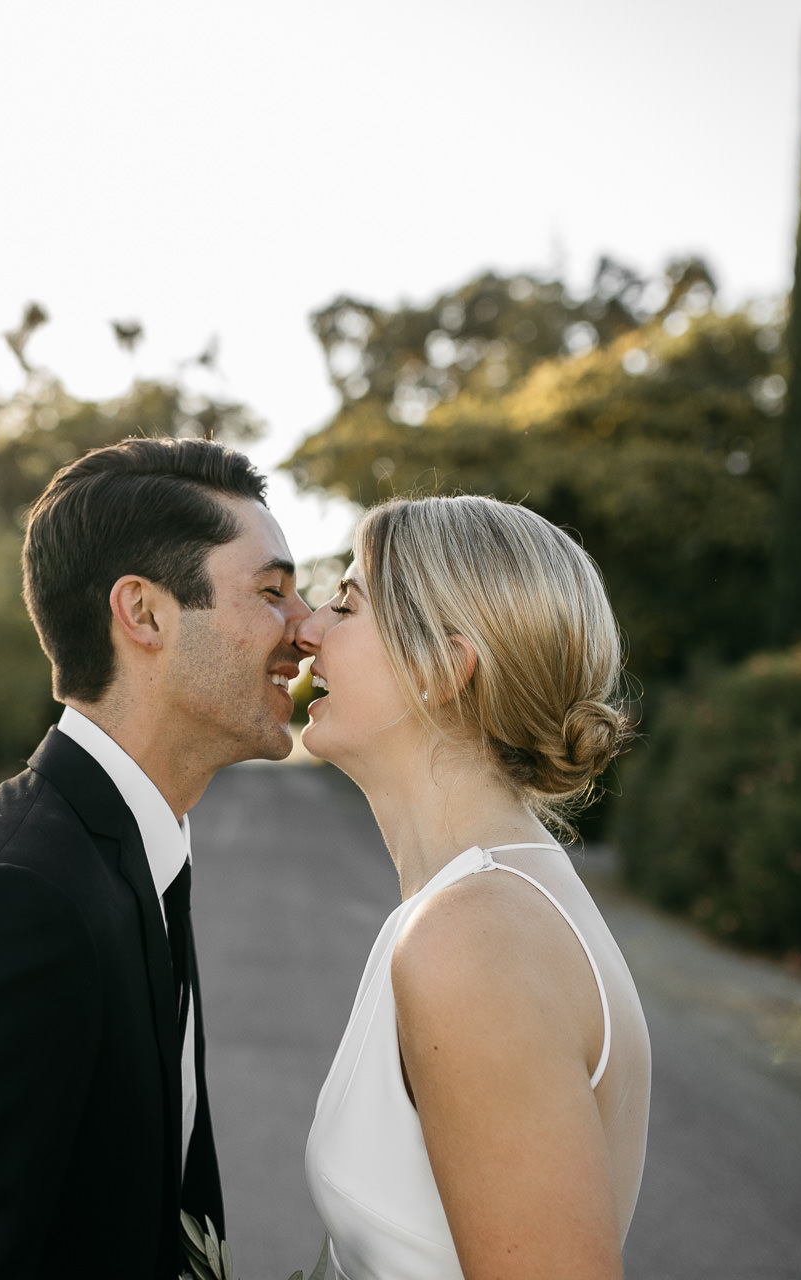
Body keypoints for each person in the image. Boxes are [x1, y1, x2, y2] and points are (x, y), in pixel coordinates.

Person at [0, 437, 311, 1277]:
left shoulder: (135, 856)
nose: (304, 631)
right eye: (272, 592)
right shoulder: (7, 908)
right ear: (145, 614)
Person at [299, 494, 651, 1280]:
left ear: (441, 669)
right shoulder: (472, 908)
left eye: (347, 604)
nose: (308, 629)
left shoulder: (475, 939)